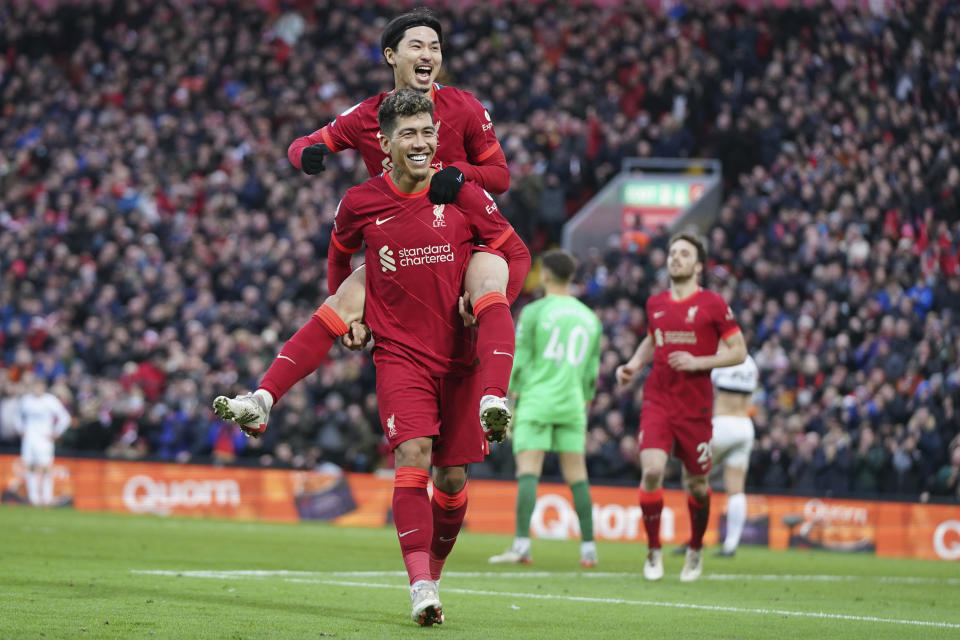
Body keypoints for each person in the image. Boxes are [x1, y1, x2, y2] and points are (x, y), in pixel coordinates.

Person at [262, 90, 527, 624]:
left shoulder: (459, 189)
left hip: (461, 356)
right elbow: (336, 255)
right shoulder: (361, 199)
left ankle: (434, 563)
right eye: (409, 133)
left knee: (451, 481)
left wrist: (485, 303)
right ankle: (420, 585)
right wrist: (353, 324)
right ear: (383, 142)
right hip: (402, 356)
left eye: (428, 132)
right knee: (413, 459)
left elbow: (515, 249)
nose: (423, 141)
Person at [213, 9, 518, 440]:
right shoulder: (368, 115)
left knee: (452, 473)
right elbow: (304, 143)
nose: (428, 54)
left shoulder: (465, 107)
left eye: (435, 46)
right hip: (398, 240)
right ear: (391, 56)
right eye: (418, 46)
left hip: (460, 239)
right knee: (339, 306)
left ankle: (494, 397)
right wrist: (305, 155)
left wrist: (462, 174)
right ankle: (261, 400)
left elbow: (501, 176)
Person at [616, 232, 746, 582]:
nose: (675, 258)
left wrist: (699, 361)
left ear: (698, 265)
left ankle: (695, 548)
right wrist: (633, 365)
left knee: (698, 486)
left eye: (684, 254)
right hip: (658, 398)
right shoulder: (655, 303)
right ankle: (654, 549)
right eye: (672, 253)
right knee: (653, 470)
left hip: (696, 406)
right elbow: (652, 338)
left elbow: (739, 351)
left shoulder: (714, 304)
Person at [488, 249, 602, 567]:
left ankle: (522, 546)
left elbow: (520, 360)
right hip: (572, 404)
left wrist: (508, 401)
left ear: (547, 275)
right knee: (578, 475)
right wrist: (584, 401)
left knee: (528, 471)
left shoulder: (535, 311)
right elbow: (592, 374)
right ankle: (589, 549)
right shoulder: (590, 318)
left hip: (537, 400)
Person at [709, 354, 759, 557]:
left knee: (693, 476)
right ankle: (730, 545)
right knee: (736, 489)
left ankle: (695, 538)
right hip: (745, 425)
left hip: (722, 424)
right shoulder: (750, 363)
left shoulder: (719, 359)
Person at [15, 375, 71, 506]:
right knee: (30, 468)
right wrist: (21, 430)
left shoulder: (50, 401)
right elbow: (17, 417)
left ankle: (46, 498)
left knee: (46, 468)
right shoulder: (26, 400)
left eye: (39, 386)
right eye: (35, 386)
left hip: (44, 439)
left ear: (44, 388)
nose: (37, 389)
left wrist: (56, 432)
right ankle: (33, 498)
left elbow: (65, 418)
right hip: (29, 439)